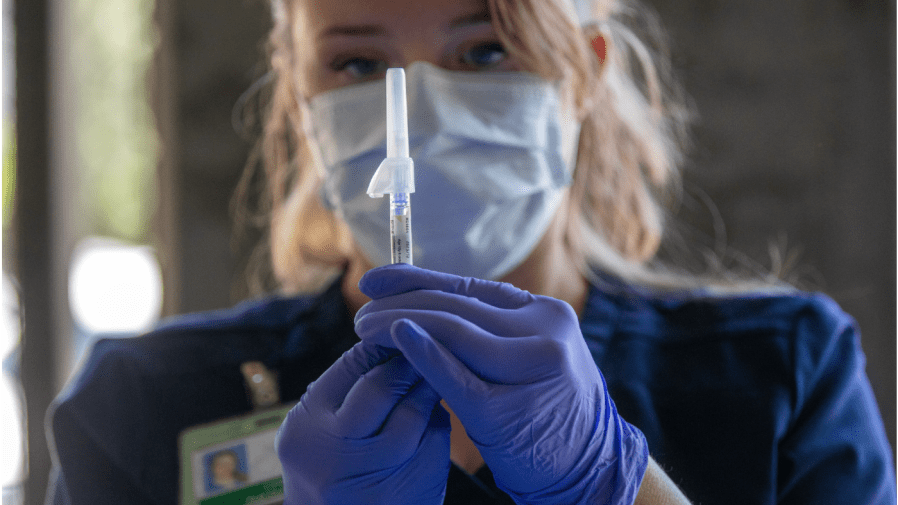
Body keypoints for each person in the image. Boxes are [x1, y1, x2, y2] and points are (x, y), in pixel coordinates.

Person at [45, 0, 896, 504]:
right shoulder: (145, 407)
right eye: (356, 61)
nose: (419, 106)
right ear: (298, 92)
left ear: (585, 75)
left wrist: (610, 485)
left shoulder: (780, 377)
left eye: (486, 49)